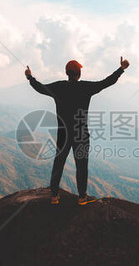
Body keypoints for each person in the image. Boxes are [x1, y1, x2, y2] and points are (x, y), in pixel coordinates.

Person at [26, 57, 130, 205]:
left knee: (59, 163)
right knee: (81, 166)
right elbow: (106, 82)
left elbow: (39, 88)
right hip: (80, 133)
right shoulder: (85, 88)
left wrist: (30, 77)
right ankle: (82, 197)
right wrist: (121, 69)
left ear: (66, 73)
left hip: (63, 133)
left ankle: (54, 196)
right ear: (78, 73)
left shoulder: (58, 87)